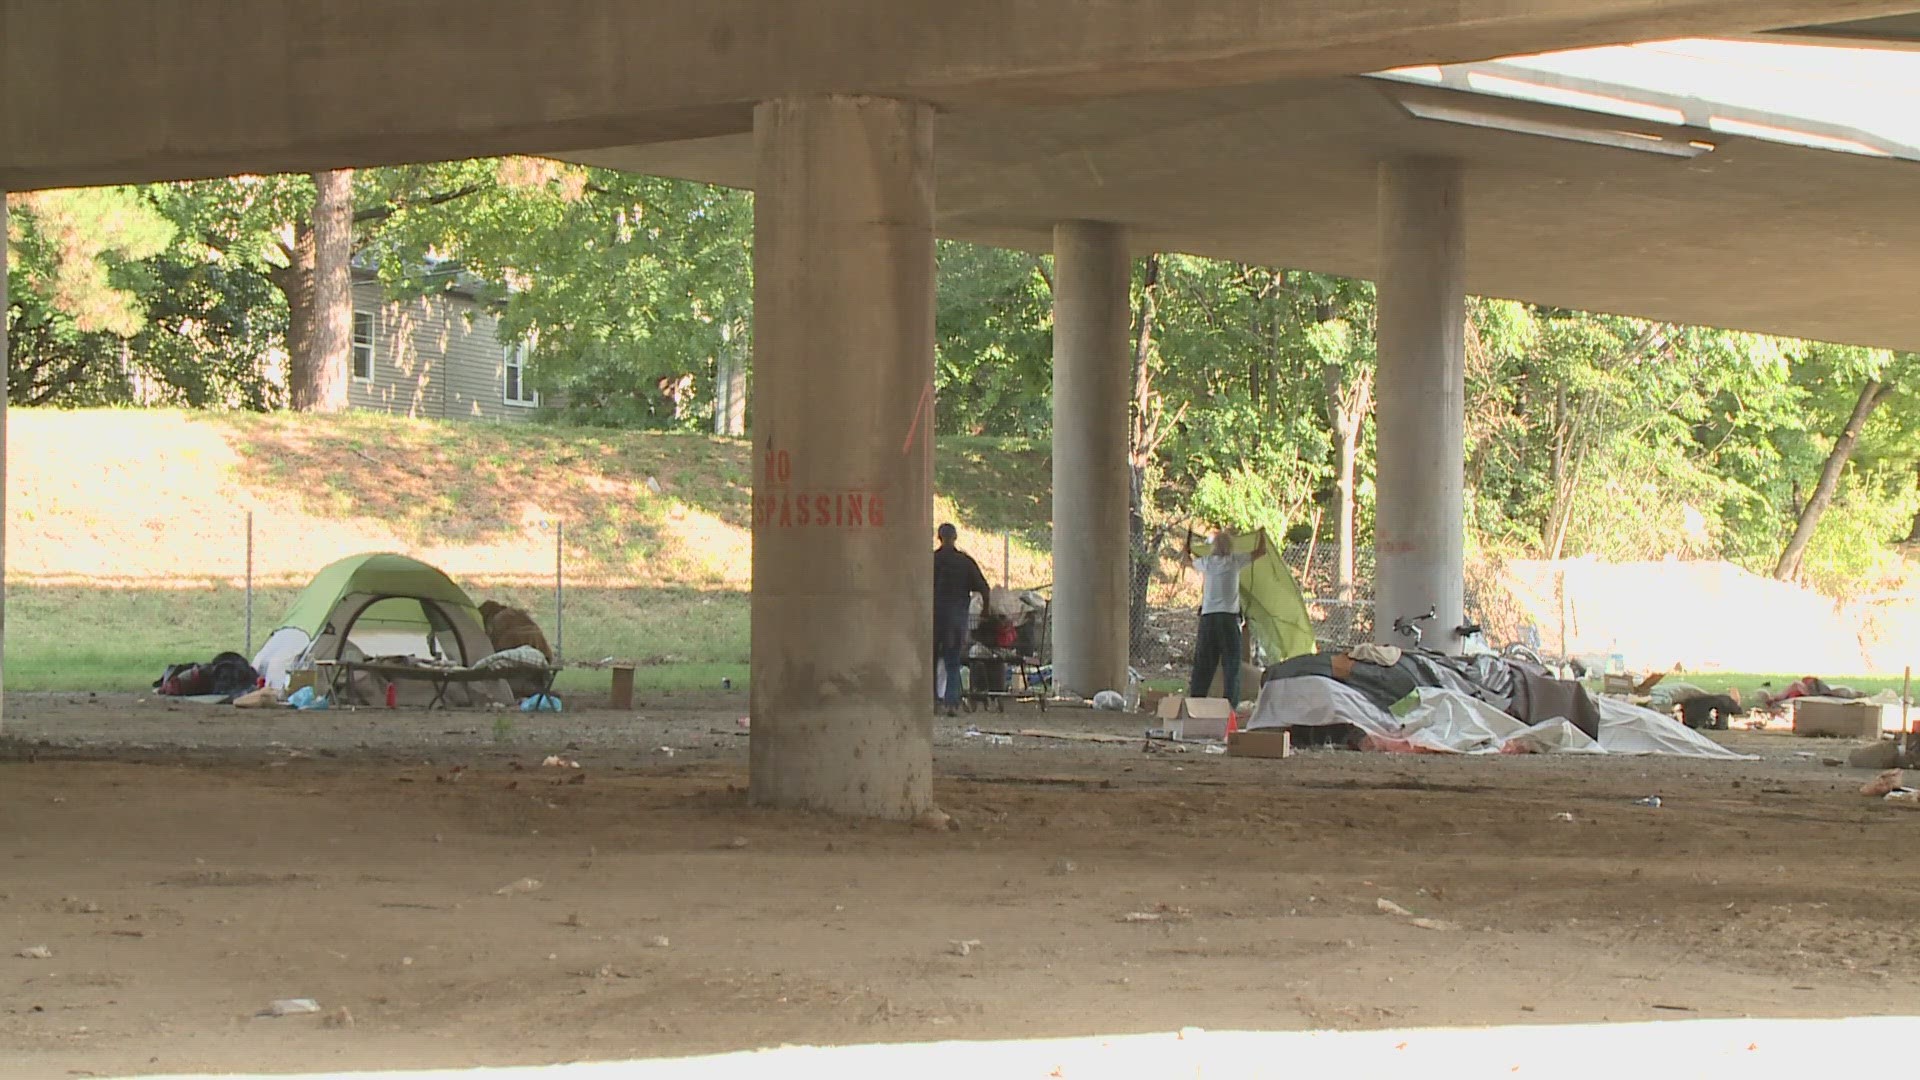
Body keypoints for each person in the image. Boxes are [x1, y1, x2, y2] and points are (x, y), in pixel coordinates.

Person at [1182, 525, 1268, 705]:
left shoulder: (1206, 562)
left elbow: (1186, 561)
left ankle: (1196, 702)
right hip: (1228, 619)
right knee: (1231, 664)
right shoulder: (1235, 561)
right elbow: (1261, 551)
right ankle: (1230, 706)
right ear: (1230, 547)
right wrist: (1261, 534)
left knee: (1204, 664)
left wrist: (1186, 551)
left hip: (1208, 619)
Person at [933, 523, 992, 716]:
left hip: (934, 617)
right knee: (952, 660)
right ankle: (951, 702)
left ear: (939, 537)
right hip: (956, 618)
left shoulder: (932, 560)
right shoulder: (965, 562)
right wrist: (985, 610)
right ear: (955, 537)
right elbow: (984, 588)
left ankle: (934, 701)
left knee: (932, 659)